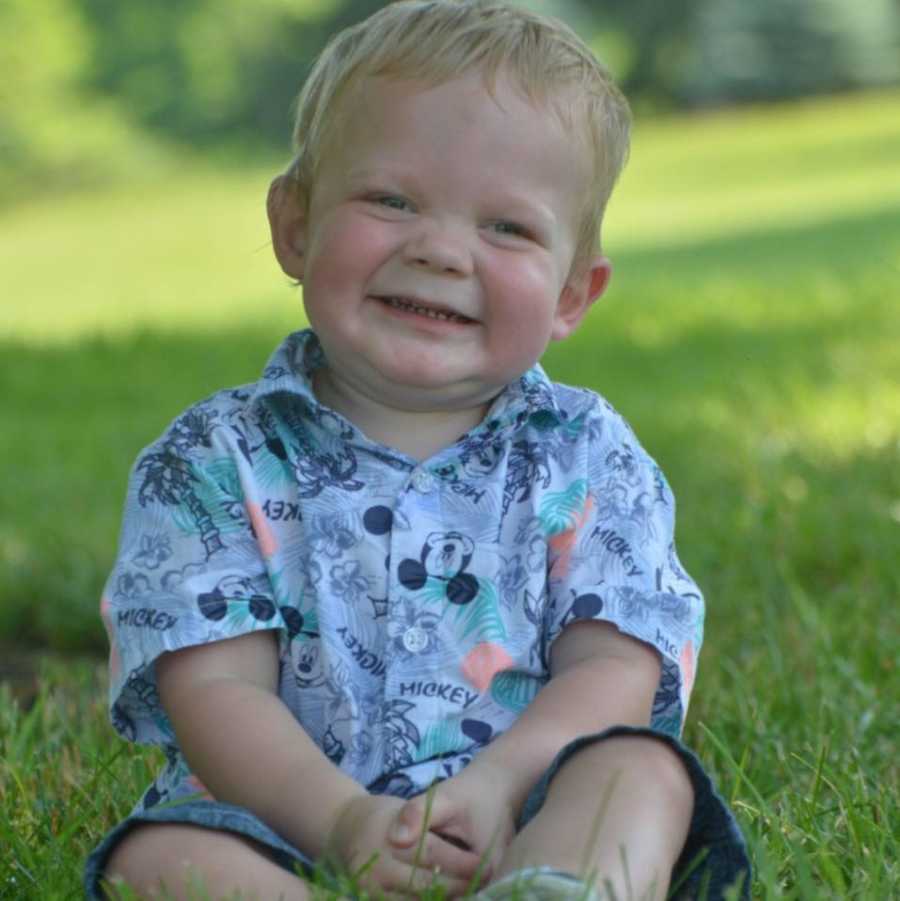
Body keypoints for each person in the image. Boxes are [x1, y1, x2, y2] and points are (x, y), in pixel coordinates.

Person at [85, 1, 750, 898]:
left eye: (507, 228)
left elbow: (615, 667)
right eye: (391, 200)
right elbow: (218, 694)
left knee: (643, 773)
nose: (439, 249)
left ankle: (555, 883)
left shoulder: (588, 456)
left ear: (572, 294)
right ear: (294, 224)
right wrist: (343, 822)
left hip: (524, 803)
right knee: (154, 859)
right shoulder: (213, 459)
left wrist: (500, 783)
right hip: (278, 820)